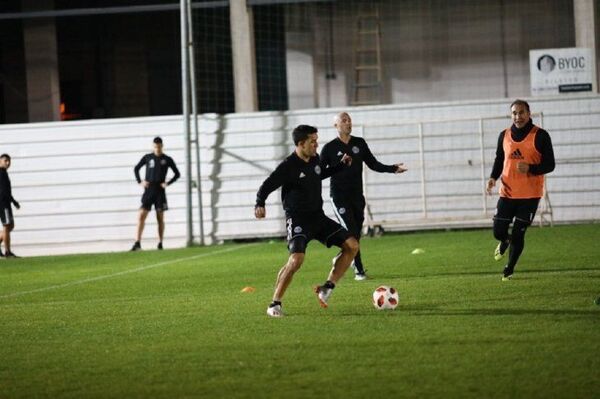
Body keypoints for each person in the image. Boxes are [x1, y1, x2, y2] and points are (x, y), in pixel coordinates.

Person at [255, 124, 359, 317]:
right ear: (301, 144)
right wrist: (260, 203)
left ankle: (326, 288)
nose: (316, 144)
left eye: (316, 140)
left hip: (318, 218)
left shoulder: (315, 159)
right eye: (313, 141)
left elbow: (319, 174)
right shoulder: (288, 166)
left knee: (352, 246)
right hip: (297, 219)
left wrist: (341, 166)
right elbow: (268, 184)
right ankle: (274, 304)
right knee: (296, 260)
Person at [320, 112, 407, 280]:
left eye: (349, 120)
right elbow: (321, 173)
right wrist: (339, 165)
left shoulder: (359, 143)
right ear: (336, 126)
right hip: (339, 197)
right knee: (351, 232)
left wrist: (392, 168)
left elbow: (373, 164)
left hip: (357, 197)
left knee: (356, 234)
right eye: (344, 120)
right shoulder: (329, 148)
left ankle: (342, 257)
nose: (348, 123)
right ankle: (359, 271)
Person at [486, 99, 555, 281]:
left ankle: (509, 268)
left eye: (521, 112)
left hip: (530, 196)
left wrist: (531, 168)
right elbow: (499, 159)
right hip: (507, 193)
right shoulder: (504, 135)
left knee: (519, 233)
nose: (518, 116)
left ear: (528, 113)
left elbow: (550, 164)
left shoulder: (540, 136)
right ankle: (504, 241)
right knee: (498, 231)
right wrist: (493, 177)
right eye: (514, 113)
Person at [131, 136, 180, 251]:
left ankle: (160, 243)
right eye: (155, 147)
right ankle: (137, 243)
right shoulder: (148, 157)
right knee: (141, 215)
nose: (157, 149)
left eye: (159, 147)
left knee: (160, 218)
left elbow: (177, 174)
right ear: (153, 146)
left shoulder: (167, 159)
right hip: (149, 190)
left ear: (162, 146)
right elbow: (136, 168)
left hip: (160, 191)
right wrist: (140, 181)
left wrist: (167, 183)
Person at [0, 154, 20, 258]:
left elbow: (6, 190)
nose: (8, 163)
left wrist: (13, 201)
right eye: (5, 160)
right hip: (3, 203)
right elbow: (3, 191)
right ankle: (8, 252)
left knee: (10, 226)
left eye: (9, 161)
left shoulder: (4, 173)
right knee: (7, 226)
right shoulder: (1, 173)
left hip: (6, 203)